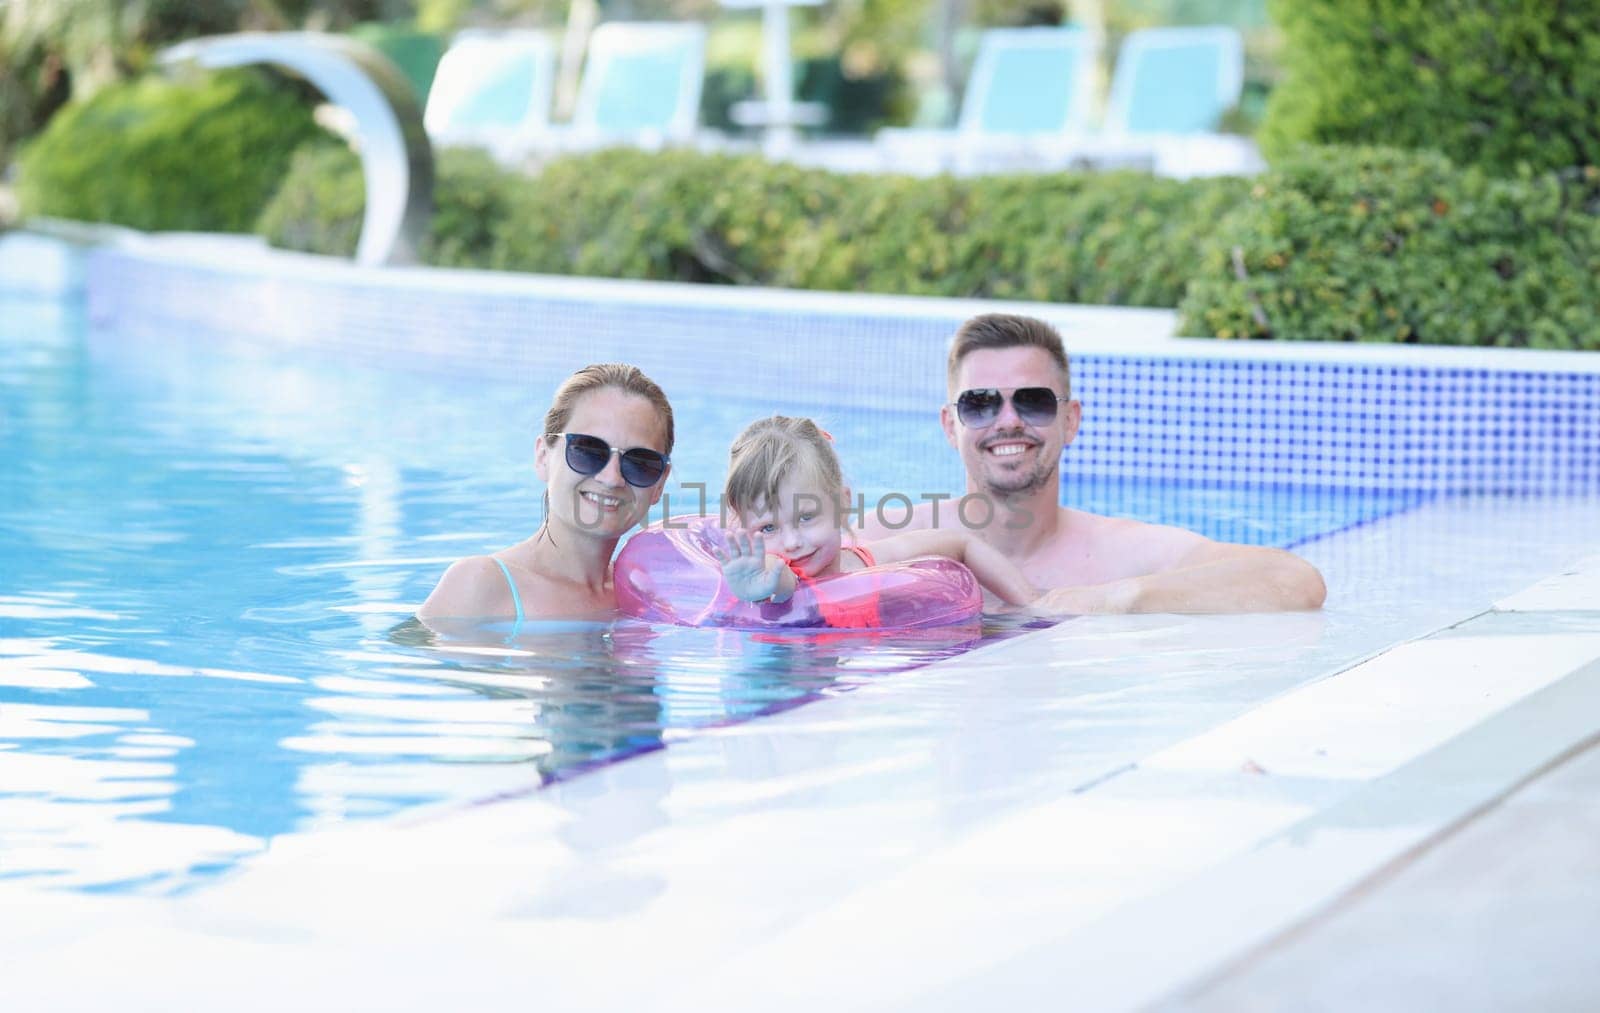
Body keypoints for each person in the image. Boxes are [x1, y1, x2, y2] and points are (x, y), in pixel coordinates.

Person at [856, 313, 1328, 613]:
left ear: (1070, 420)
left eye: (1034, 402)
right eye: (979, 404)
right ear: (949, 425)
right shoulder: (887, 541)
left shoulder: (1118, 558)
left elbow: (1295, 580)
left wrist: (1114, 598)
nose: (1008, 422)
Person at [713, 415, 1038, 621]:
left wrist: (1031, 602)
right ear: (742, 528)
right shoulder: (772, 572)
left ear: (842, 505)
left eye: (807, 517)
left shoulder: (869, 561)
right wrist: (764, 584)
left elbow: (961, 542)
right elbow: (782, 581)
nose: (793, 542)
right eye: (768, 527)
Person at [418, 363, 673, 621]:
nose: (611, 478)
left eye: (640, 462)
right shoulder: (482, 585)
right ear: (543, 457)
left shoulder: (641, 598)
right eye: (588, 451)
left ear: (659, 485)